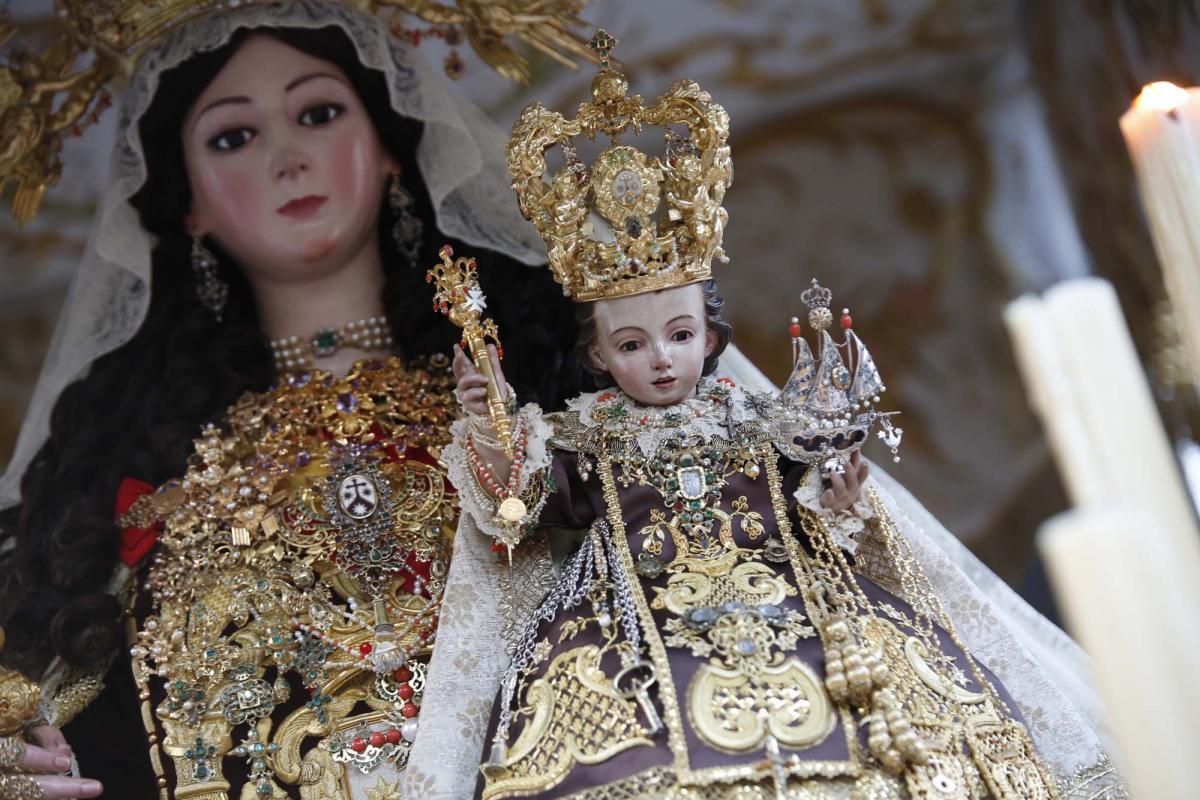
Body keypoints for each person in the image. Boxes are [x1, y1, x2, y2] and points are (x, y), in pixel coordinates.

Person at [433, 34, 1126, 800]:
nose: (662, 358)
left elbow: (819, 506)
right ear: (597, 358)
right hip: (630, 637)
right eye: (632, 343)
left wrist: (842, 497)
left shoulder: (761, 420)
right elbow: (515, 508)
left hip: (798, 613)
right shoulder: (585, 437)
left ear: (712, 337)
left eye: (681, 335)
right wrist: (491, 421)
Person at [0, 3, 589, 798]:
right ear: (190, 203)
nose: (288, 159)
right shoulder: (151, 495)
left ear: (386, 146)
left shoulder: (539, 402)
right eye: (233, 137)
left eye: (318, 114)